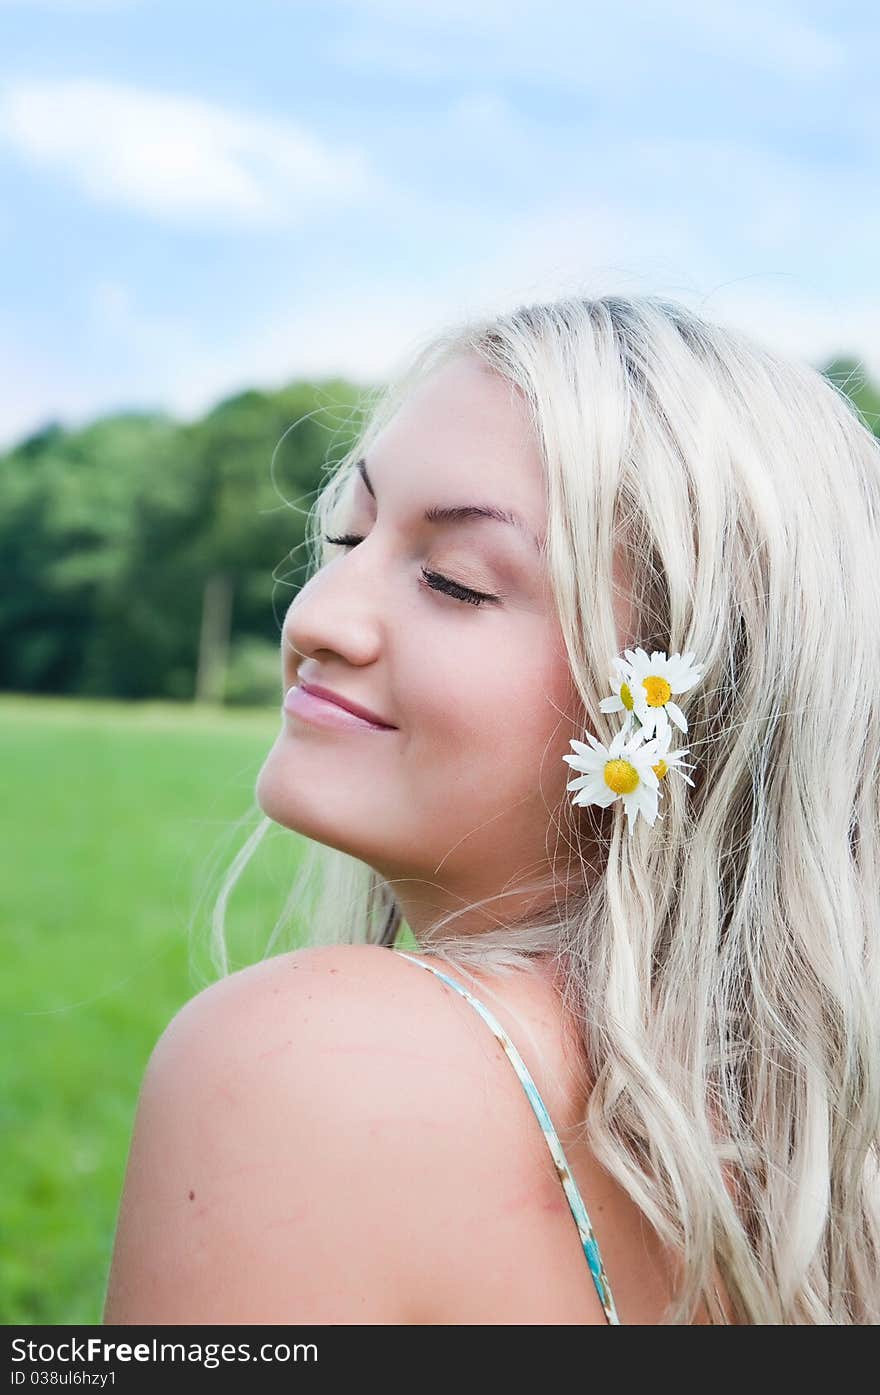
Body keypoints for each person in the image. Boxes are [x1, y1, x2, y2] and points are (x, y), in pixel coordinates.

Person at [103, 294, 880, 1325]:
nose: (315, 618)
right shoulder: (819, 1159)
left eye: (455, 581)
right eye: (347, 536)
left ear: (684, 706)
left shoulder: (302, 1071)